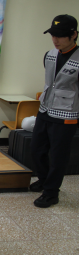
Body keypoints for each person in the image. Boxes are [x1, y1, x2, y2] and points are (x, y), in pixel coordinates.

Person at [30, 14, 79, 208]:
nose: (55, 40)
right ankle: (43, 179)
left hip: (67, 114)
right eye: (53, 35)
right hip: (45, 109)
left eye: (60, 35)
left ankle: (51, 192)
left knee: (58, 155)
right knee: (36, 149)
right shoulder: (49, 55)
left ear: (73, 35)